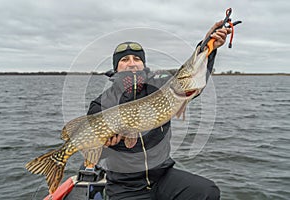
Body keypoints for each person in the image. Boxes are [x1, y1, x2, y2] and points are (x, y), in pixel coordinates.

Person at [85, 21, 231, 200]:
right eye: (124, 60)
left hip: (162, 177)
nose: (132, 63)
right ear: (115, 68)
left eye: (137, 59)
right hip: (125, 186)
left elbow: (195, 75)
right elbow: (94, 153)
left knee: (207, 191)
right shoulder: (100, 104)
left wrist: (207, 46)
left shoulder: (161, 88)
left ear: (143, 64)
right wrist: (108, 144)